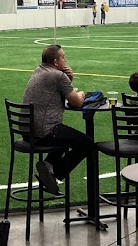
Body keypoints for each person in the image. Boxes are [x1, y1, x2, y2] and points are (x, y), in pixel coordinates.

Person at [21, 44, 93, 196]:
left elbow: (59, 91)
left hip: (27, 131)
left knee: (64, 137)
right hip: (44, 132)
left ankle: (48, 166)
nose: (65, 60)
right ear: (55, 62)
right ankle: (54, 175)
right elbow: (77, 102)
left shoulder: (39, 70)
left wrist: (69, 79)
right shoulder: (58, 76)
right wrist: (82, 94)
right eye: (63, 58)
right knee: (87, 144)